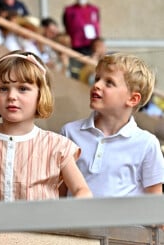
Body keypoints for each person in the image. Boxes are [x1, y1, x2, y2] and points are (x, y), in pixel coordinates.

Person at [0, 51, 92, 202]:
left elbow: (81, 189)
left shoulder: (57, 146)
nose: (12, 96)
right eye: (3, 88)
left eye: (23, 89)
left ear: (41, 94)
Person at [60, 53, 164, 197]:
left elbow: (154, 204)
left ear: (133, 99)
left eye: (109, 82)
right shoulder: (69, 132)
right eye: (97, 79)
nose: (96, 85)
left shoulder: (147, 144)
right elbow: (60, 192)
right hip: (75, 219)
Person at [62, 0, 100, 78]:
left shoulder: (94, 10)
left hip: (90, 46)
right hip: (76, 46)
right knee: (76, 71)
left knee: (90, 71)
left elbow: (97, 24)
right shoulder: (69, 11)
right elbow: (66, 25)